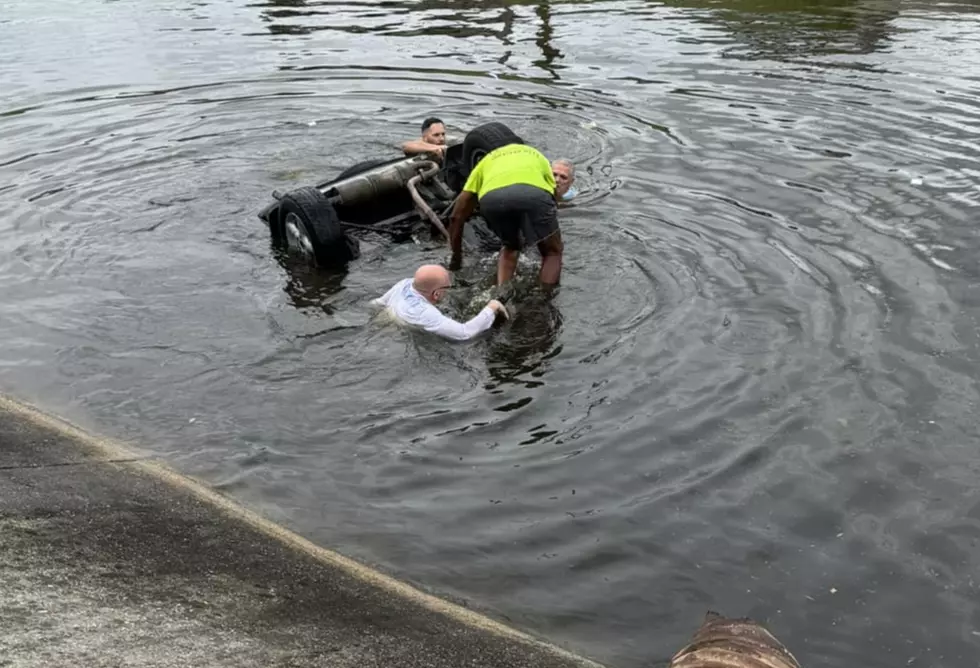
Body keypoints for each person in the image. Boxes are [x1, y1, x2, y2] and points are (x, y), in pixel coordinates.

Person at [448, 142, 564, 287]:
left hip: (492, 200)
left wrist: (456, 258)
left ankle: (501, 295)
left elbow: (456, 216)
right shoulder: (537, 155)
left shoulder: (485, 161)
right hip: (534, 195)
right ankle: (544, 300)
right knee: (552, 252)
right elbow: (553, 193)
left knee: (510, 246)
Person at [372, 264, 508, 341]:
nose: (448, 290)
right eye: (447, 288)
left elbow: (377, 303)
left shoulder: (404, 284)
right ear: (436, 294)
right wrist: (492, 307)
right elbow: (464, 333)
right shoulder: (425, 313)